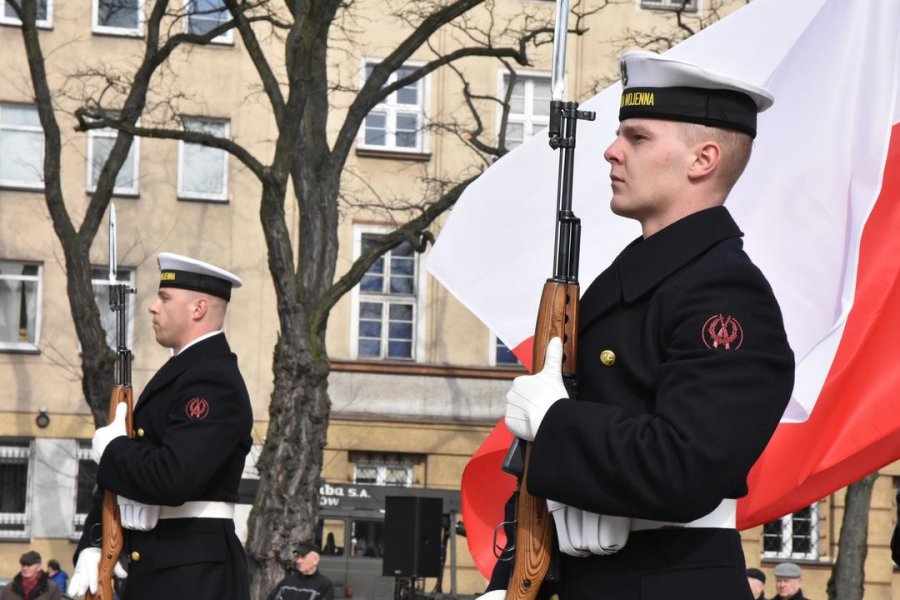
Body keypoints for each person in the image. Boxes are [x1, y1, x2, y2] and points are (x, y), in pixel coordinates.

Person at [484, 50, 795, 599]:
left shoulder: (725, 293)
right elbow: (539, 477)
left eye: (637, 137)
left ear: (702, 159)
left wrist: (556, 421)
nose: (611, 149)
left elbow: (685, 466)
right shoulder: (627, 283)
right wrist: (508, 582)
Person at [68, 253, 253, 600]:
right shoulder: (183, 374)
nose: (152, 307)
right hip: (160, 569)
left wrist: (113, 449)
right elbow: (121, 479)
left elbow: (172, 477)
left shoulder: (212, 380)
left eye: (165, 298)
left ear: (198, 308)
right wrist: (94, 543)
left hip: (196, 578)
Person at [266, 541, 335, 600]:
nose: (298, 561)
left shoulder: (324, 585)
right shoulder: (287, 581)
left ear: (315, 560)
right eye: (297, 557)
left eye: (303, 557)